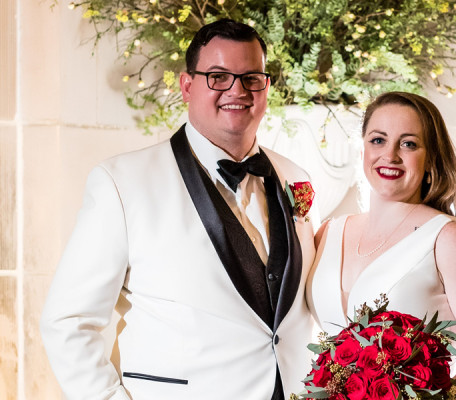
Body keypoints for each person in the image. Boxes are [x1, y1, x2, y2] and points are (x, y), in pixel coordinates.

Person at [40, 19, 318, 400]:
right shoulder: (122, 182)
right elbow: (68, 322)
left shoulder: (295, 176)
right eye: (218, 76)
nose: (237, 90)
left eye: (251, 77)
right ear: (188, 86)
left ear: (266, 86)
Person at [307, 91, 456, 399]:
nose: (390, 155)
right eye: (378, 140)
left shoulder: (449, 240)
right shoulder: (328, 233)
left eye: (409, 143)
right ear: (362, 149)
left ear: (430, 158)